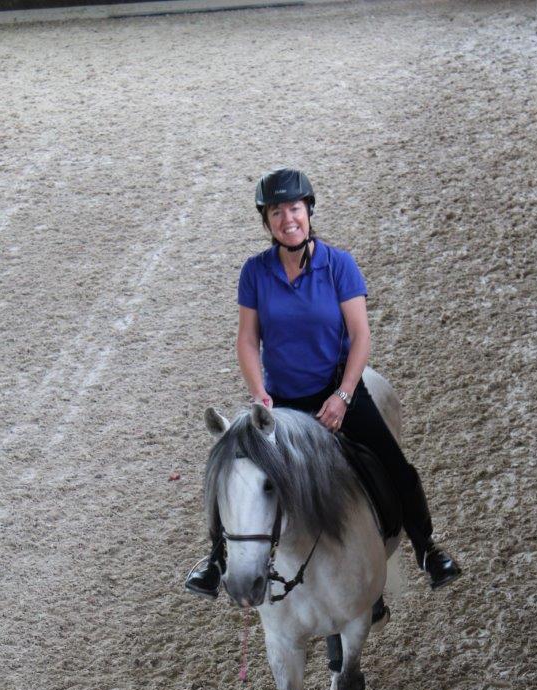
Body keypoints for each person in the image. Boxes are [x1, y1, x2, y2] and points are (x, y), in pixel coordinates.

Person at [185, 167, 461, 599]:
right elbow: (246, 339)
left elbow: (361, 336)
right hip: (282, 403)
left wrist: (344, 396)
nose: (287, 219)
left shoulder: (339, 266)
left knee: (397, 467)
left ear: (308, 211)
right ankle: (217, 557)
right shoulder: (254, 273)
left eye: (294, 208)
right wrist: (259, 393)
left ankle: (427, 549)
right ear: (267, 222)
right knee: (231, 466)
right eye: (276, 212)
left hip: (337, 393)